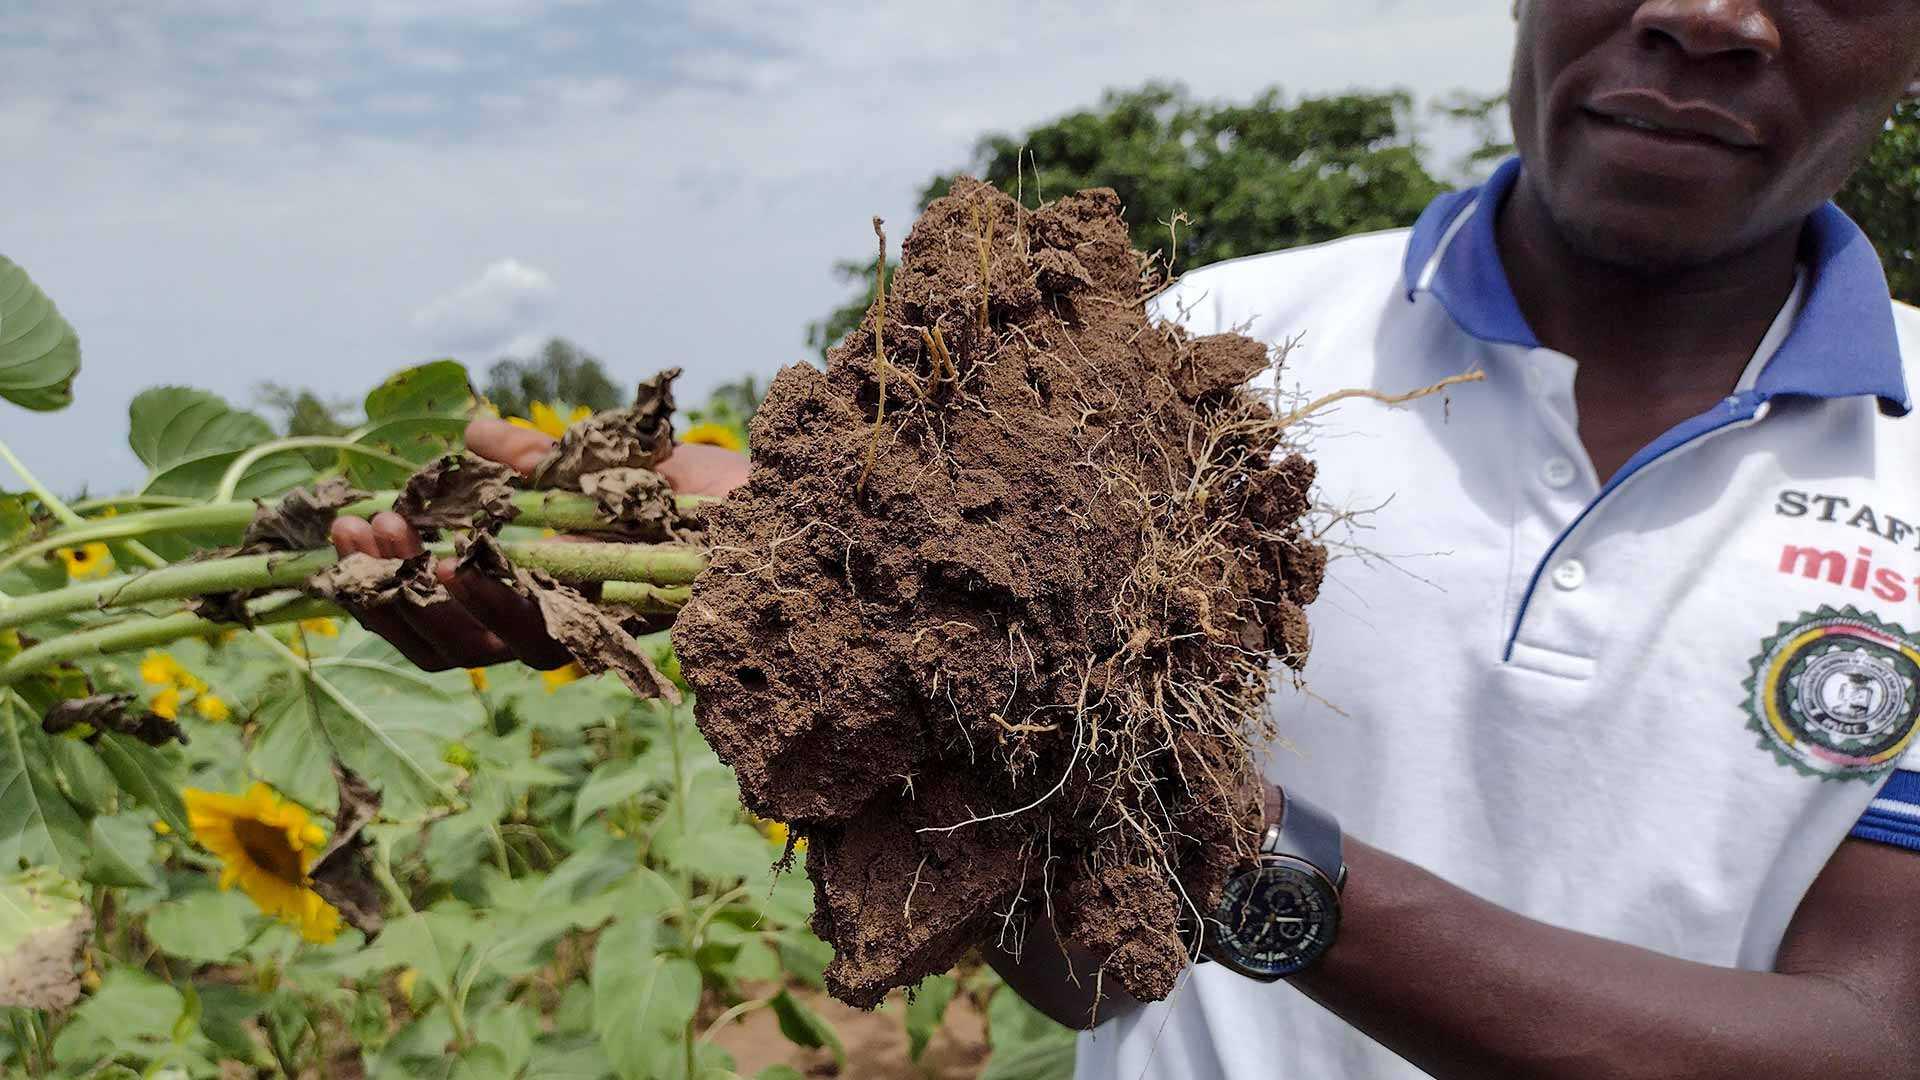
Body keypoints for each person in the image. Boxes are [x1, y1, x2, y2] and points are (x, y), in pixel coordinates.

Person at [333, 2, 1920, 1076]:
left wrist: (1240, 856)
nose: (1710, 12)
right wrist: (834, 640)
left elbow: (1867, 1043)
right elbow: (1085, 973)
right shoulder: (1188, 354)